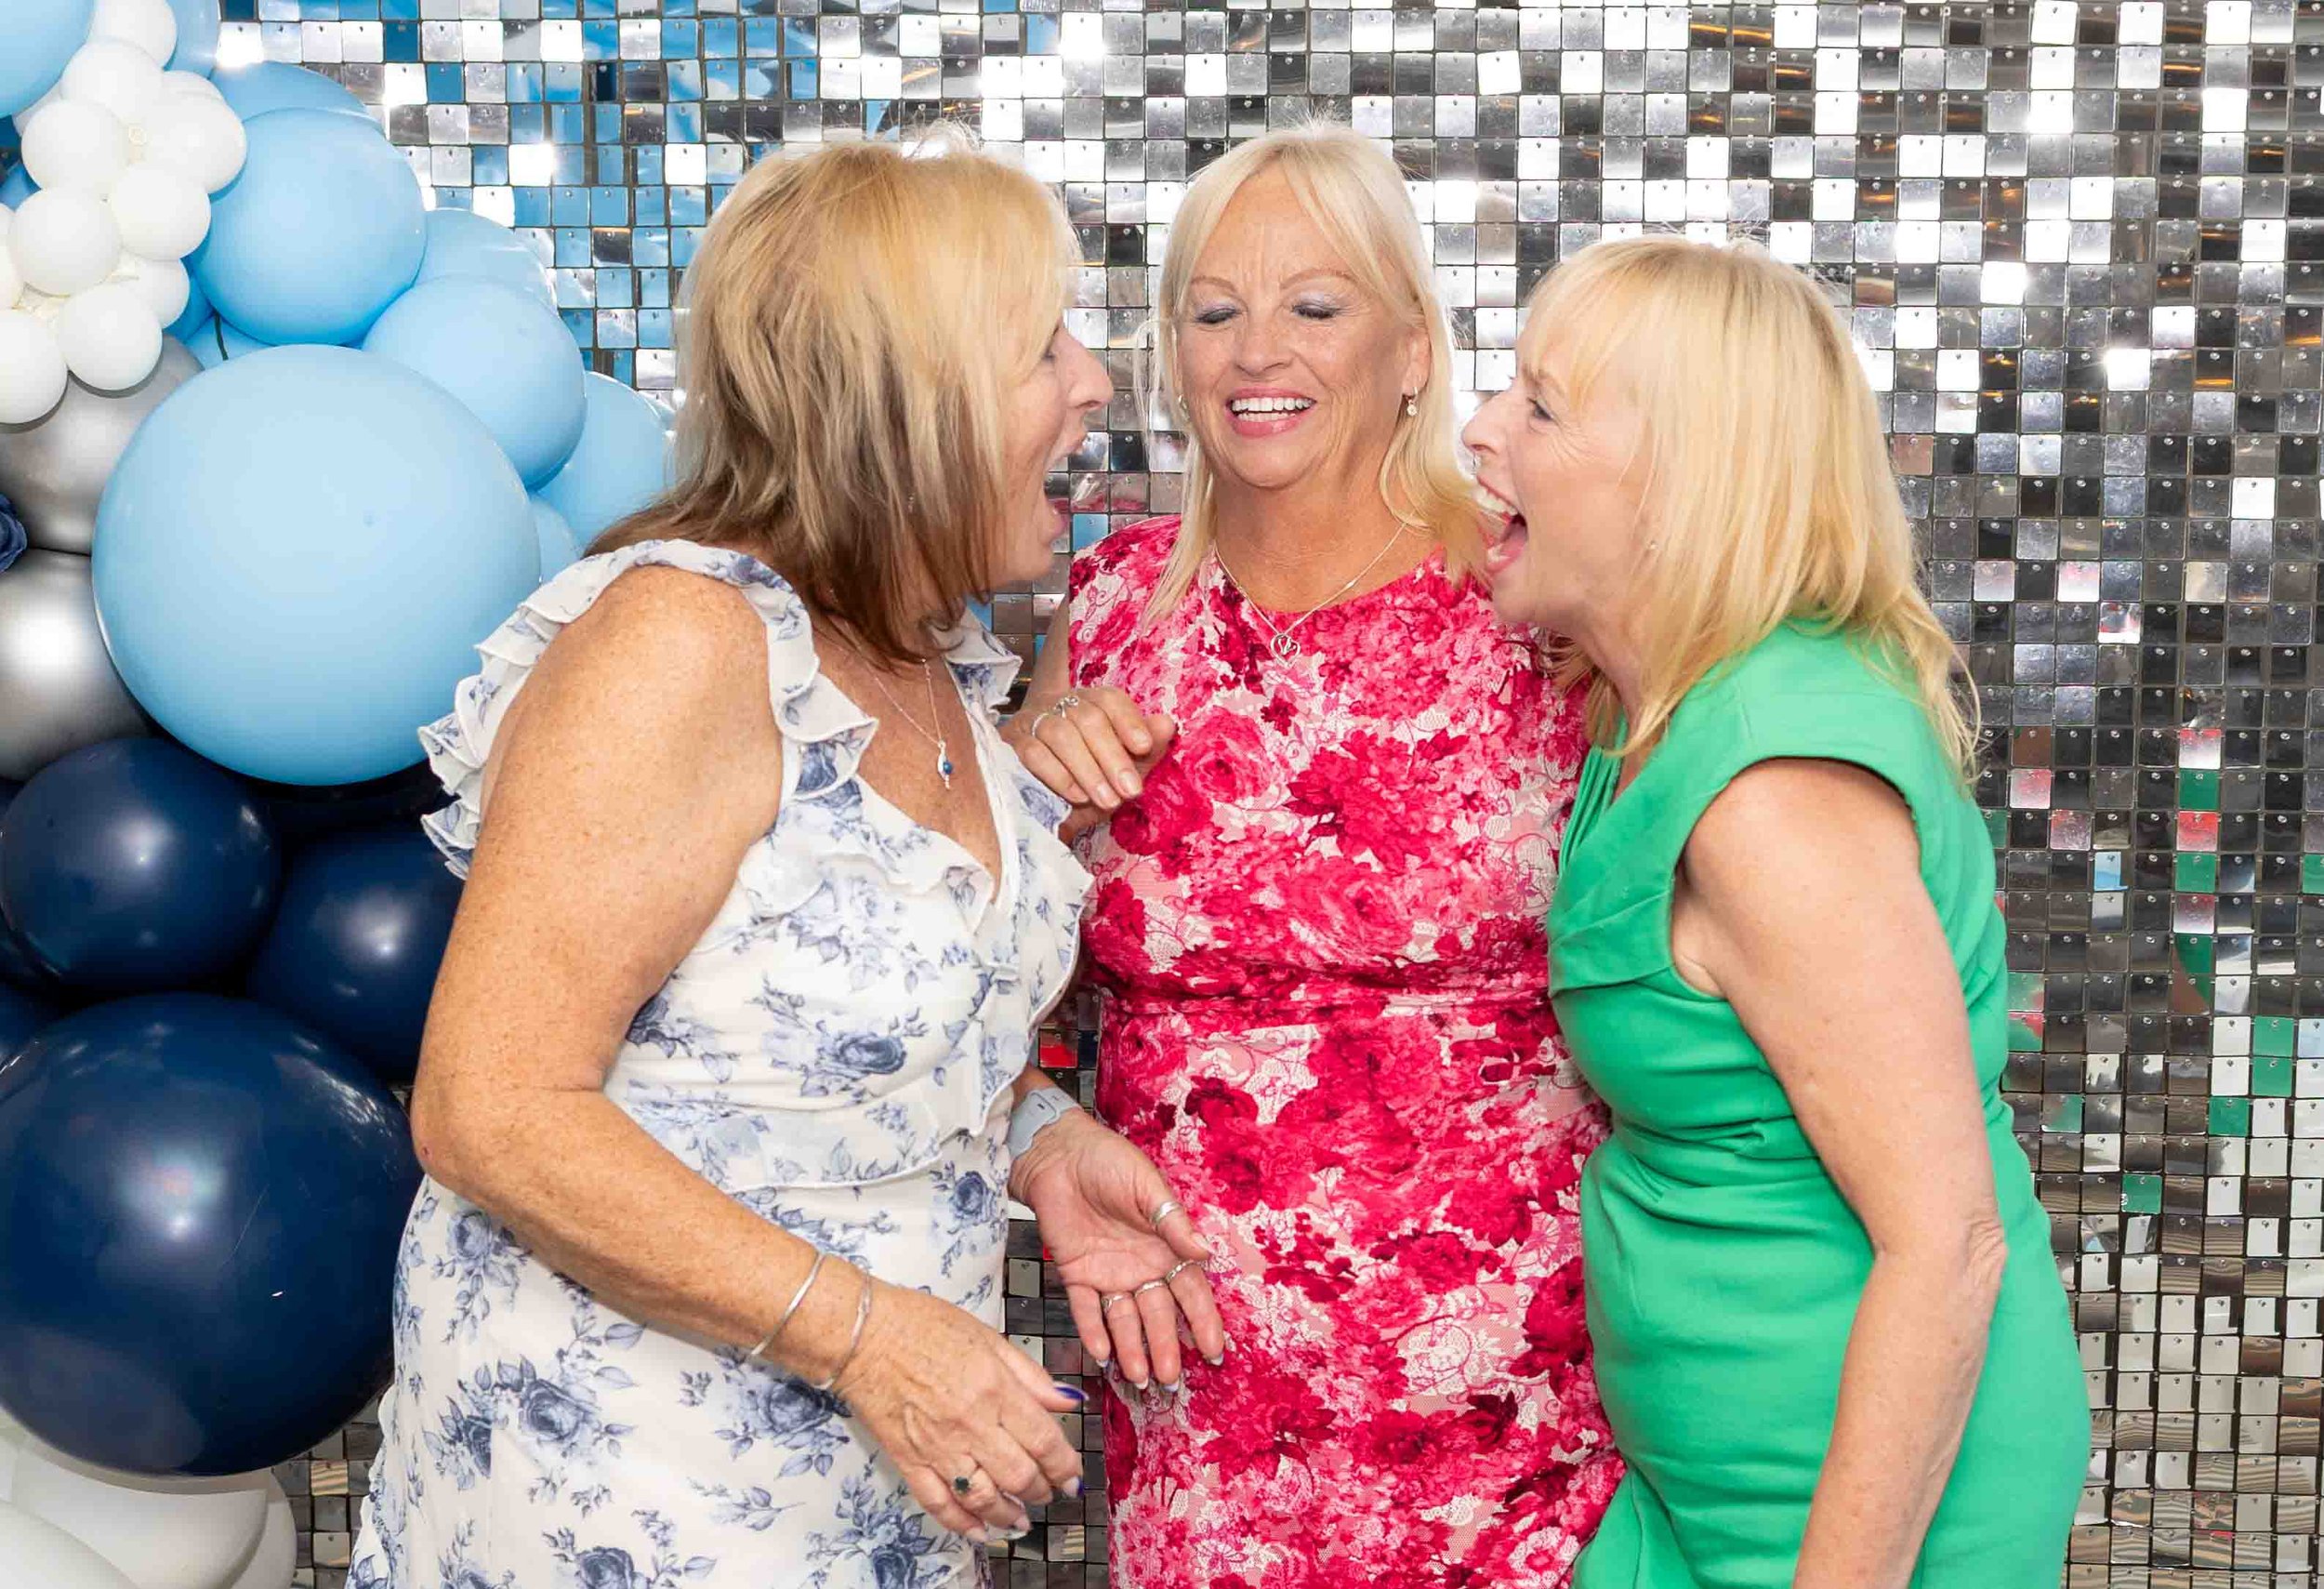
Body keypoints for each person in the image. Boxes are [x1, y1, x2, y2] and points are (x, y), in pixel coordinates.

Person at [348, 136, 1222, 1588]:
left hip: (875, 1498)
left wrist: (1041, 1143)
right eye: (1043, 348)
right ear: (907, 397)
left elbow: (811, 1042)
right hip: (627, 1499)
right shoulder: (680, 644)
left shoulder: (928, 656)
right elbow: (491, 1109)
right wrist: (867, 1335)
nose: (1093, 386)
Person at [1009, 124, 1621, 1584]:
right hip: (1203, 1387)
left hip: (1526, 1399)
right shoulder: (1102, 619)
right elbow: (981, 1015)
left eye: (1315, 305)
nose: (1254, 350)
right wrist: (1034, 824)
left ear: (1414, 348)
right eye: (1213, 311)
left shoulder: (1535, 594)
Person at [1461, 234, 2088, 1587]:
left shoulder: (1772, 798)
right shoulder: (1657, 703)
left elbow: (1949, 1241)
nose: (1481, 429)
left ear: (1682, 484)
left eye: (1539, 404)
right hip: (1707, 1490)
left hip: (1852, 1514)